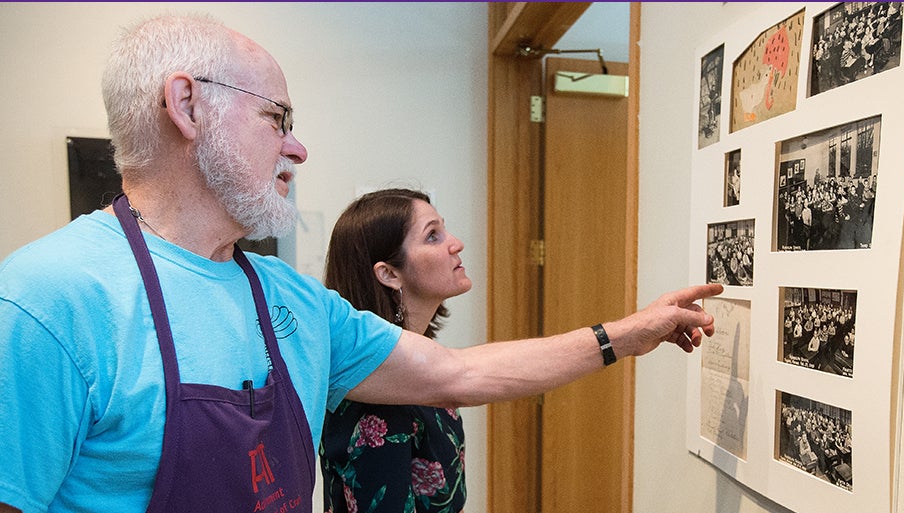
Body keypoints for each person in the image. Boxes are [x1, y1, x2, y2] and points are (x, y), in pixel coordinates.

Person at [0, 13, 722, 513]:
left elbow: (461, 374)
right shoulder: (49, 299)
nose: (297, 147)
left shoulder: (289, 300)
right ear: (186, 105)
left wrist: (630, 333)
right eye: (277, 119)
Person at [319, 188, 471, 513]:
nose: (455, 243)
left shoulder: (415, 366)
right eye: (433, 236)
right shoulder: (381, 397)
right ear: (389, 273)